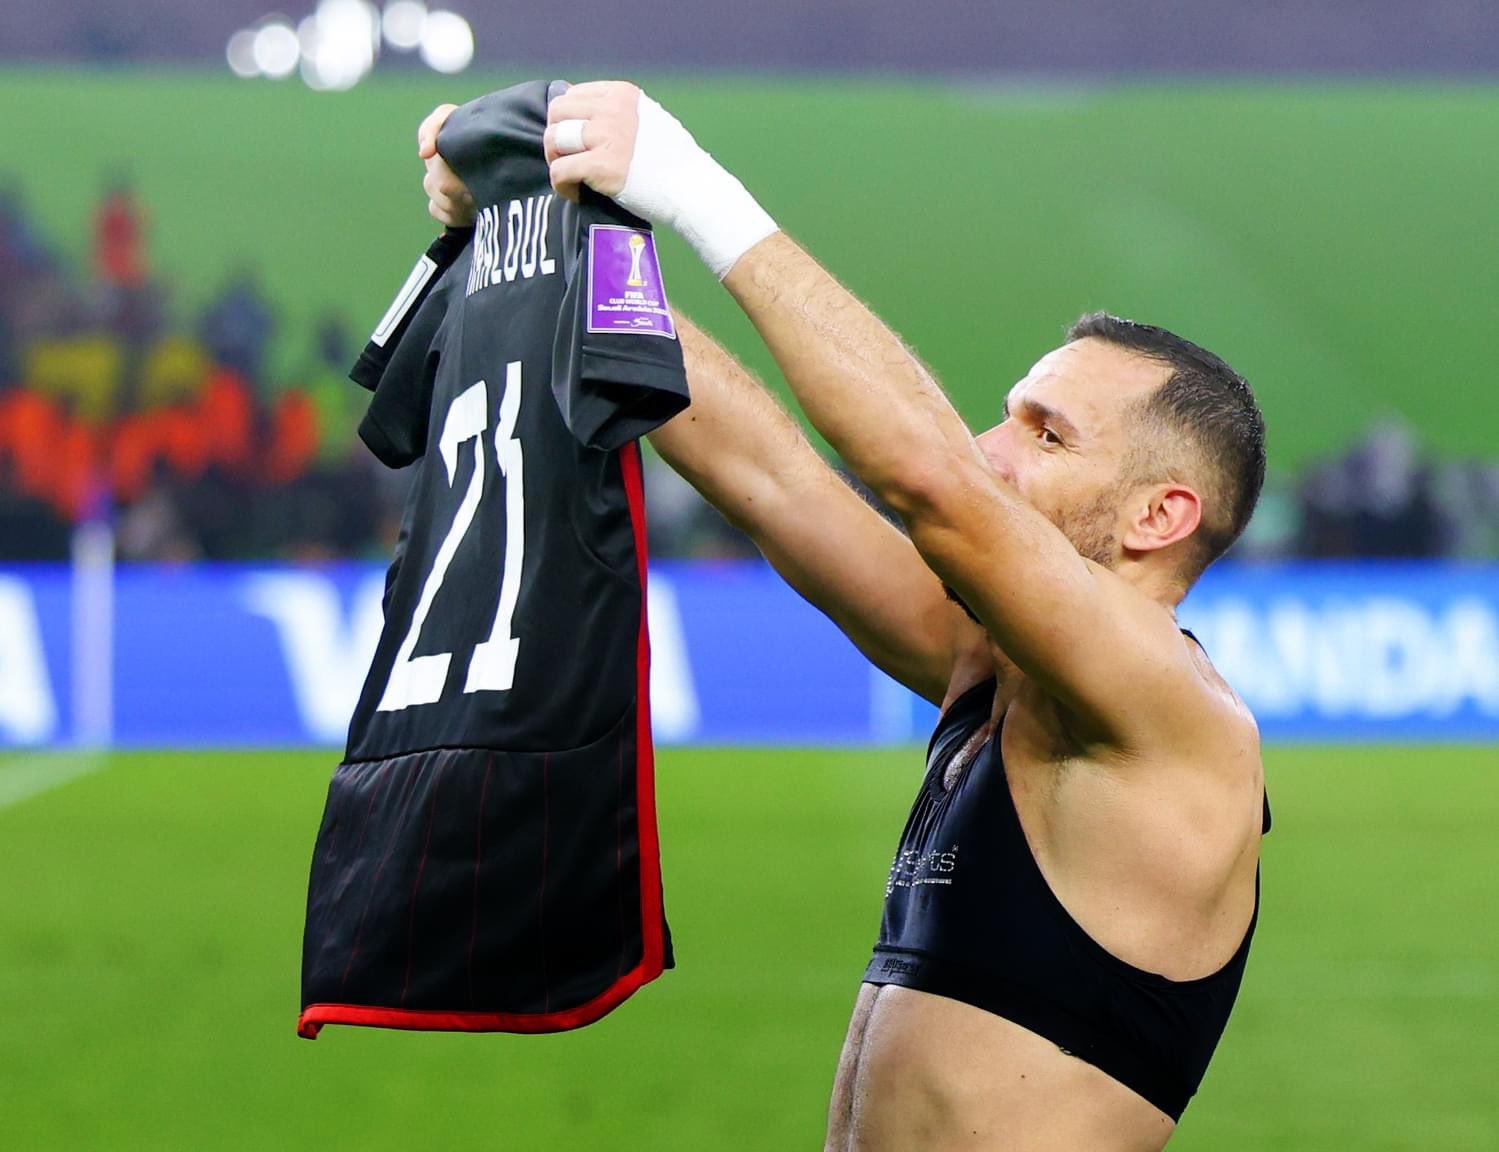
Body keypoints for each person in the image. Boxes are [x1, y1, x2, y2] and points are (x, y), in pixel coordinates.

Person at [418, 83, 1268, 1151]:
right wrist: (550, 240)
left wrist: (689, 187)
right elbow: (768, 477)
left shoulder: (1171, 712)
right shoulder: (987, 665)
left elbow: (930, 479)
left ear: (1159, 516)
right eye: (1004, 418)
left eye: (1046, 436)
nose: (990, 451)